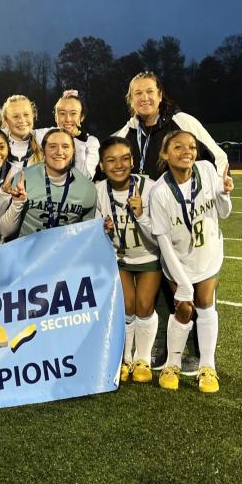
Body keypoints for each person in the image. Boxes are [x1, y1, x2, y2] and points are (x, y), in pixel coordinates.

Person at [148, 130, 233, 393]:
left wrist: (224, 193)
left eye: (192, 147)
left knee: (206, 305)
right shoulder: (159, 191)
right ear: (165, 154)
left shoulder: (206, 170)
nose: (188, 151)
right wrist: (183, 282)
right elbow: (163, 243)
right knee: (184, 308)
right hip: (178, 261)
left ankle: (208, 366)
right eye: (179, 147)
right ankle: (172, 363)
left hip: (207, 255)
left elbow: (224, 213)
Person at [95, 136, 161, 384]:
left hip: (148, 255)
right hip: (118, 257)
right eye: (111, 160)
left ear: (133, 161)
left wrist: (142, 214)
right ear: (102, 165)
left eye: (124, 158)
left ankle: (142, 357)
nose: (118, 165)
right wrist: (103, 228)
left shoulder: (150, 187)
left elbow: (159, 233)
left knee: (144, 304)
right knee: (126, 305)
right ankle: (124, 358)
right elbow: (95, 228)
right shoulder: (99, 190)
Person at [114, 72, 228, 180]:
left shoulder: (183, 122)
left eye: (150, 91)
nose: (144, 98)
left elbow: (218, 159)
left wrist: (217, 190)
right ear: (131, 100)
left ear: (160, 96)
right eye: (138, 93)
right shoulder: (124, 135)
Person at [0, 127, 97, 239]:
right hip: (28, 253)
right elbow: (4, 232)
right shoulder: (23, 179)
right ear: (43, 151)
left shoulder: (87, 188)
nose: (59, 152)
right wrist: (17, 204)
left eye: (65, 146)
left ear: (73, 152)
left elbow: (87, 237)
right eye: (53, 146)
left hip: (66, 254)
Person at [36, 90, 100, 179]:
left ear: (82, 117)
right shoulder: (44, 135)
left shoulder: (91, 142)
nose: (67, 119)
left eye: (73, 113)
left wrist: (79, 142)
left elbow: (84, 178)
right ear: (55, 117)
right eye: (62, 113)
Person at [0, 95, 42, 165]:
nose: (22, 120)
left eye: (26, 114)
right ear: (6, 121)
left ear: (33, 116)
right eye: (15, 116)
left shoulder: (44, 144)